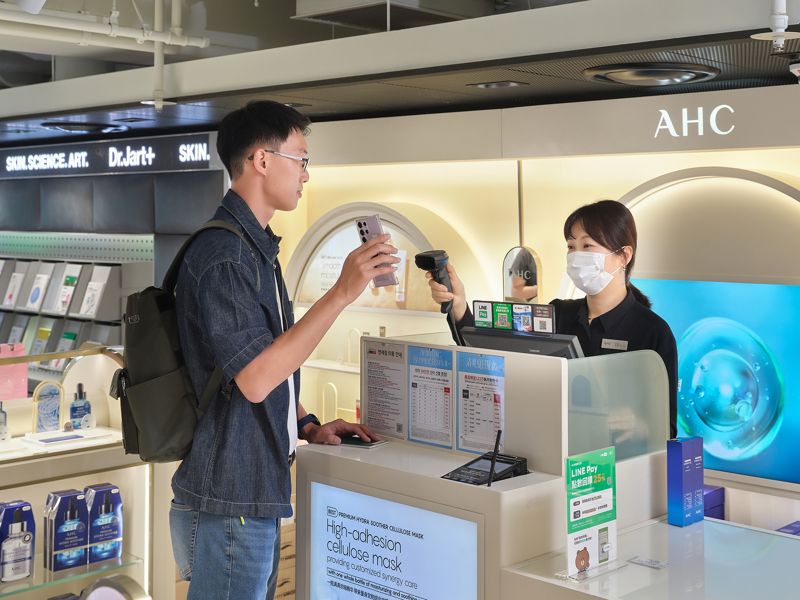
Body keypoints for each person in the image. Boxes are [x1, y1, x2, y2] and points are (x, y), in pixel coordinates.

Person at [169, 100, 398, 599]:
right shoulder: (226, 255)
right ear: (262, 160)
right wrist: (341, 292)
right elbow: (253, 378)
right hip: (232, 492)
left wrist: (306, 423)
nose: (306, 175)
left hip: (252, 489)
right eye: (301, 158)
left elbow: (261, 369)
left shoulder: (253, 249)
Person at [427, 200, 677, 438]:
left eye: (587, 246)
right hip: (553, 453)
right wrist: (458, 305)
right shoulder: (556, 314)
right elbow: (492, 352)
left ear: (623, 256)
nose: (576, 255)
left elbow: (666, 429)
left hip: (617, 465)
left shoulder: (652, 331)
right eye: (571, 246)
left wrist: (639, 425)